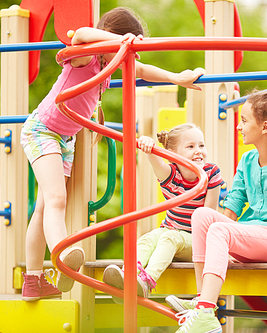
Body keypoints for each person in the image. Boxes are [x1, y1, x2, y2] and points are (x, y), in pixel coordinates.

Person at [20, 7, 204, 301]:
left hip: (65, 138)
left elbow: (141, 71)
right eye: (125, 48)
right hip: (42, 130)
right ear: (113, 38)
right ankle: (64, 254)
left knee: (44, 208)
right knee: (56, 200)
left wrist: (177, 78)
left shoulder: (109, 65)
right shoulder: (88, 56)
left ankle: (32, 281)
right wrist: (118, 41)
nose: (127, 60)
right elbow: (78, 34)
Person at [165, 88, 267, 333]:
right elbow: (232, 207)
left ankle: (204, 312)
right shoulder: (247, 161)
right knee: (202, 215)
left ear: (265, 127)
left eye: (244, 120)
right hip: (254, 235)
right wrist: (219, 240)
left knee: (219, 230)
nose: (239, 126)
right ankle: (203, 300)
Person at [102, 123, 224, 302]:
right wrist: (149, 147)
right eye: (190, 146)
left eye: (201, 145)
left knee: (170, 238)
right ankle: (128, 275)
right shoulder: (171, 175)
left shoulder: (211, 173)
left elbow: (207, 216)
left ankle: (146, 282)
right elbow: (155, 161)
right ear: (174, 154)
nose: (198, 150)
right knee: (148, 238)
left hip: (197, 240)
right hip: (171, 230)